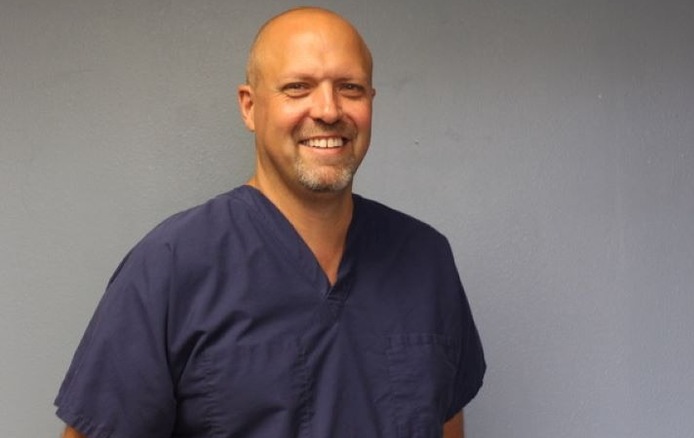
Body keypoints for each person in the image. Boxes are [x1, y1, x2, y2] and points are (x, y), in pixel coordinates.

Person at [56, 7, 485, 438]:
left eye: (349, 88)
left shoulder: (426, 260)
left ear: (370, 101)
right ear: (249, 106)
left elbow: (446, 424)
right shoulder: (171, 266)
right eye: (298, 88)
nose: (329, 110)